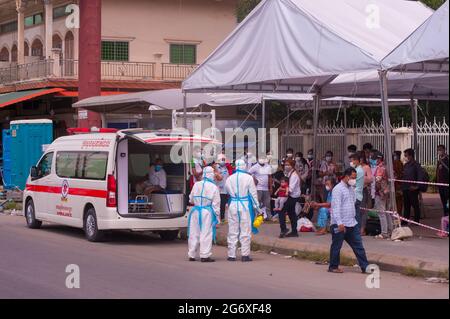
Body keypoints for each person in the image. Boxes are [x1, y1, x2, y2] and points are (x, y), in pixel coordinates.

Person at [328, 168, 369, 274]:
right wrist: (339, 223)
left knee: (358, 246)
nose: (354, 180)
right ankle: (333, 266)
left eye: (355, 178)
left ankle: (365, 266)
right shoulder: (338, 189)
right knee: (336, 246)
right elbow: (335, 207)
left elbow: (352, 203)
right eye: (352, 178)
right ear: (346, 176)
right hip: (340, 224)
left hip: (351, 223)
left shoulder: (351, 189)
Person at [225, 159, 261, 262]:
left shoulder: (229, 179)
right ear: (244, 166)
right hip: (244, 205)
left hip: (233, 204)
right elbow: (253, 195)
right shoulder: (248, 178)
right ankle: (245, 255)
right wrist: (257, 208)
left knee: (232, 230)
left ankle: (231, 255)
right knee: (245, 230)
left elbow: (228, 191)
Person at [187, 167, 221, 262]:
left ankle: (191, 254)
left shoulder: (196, 184)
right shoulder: (214, 187)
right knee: (206, 233)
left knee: (194, 232)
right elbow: (216, 204)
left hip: (195, 211)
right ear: (211, 174)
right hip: (207, 212)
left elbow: (191, 199)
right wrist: (217, 217)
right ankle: (204, 255)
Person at [279, 159, 301, 238]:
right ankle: (294, 231)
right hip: (291, 196)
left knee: (281, 210)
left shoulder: (294, 176)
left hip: (292, 196)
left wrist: (282, 191)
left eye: (288, 165)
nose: (286, 166)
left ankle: (283, 229)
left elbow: (290, 189)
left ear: (292, 166)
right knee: (291, 213)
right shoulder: (290, 174)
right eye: (285, 165)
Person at [372, 151, 392, 239]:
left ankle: (384, 232)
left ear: (379, 159)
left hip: (381, 193)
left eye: (374, 159)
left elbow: (378, 181)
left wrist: (377, 190)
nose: (373, 161)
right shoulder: (387, 167)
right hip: (387, 192)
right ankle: (390, 231)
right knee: (387, 212)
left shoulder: (380, 168)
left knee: (381, 213)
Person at [249, 156, 273, 220]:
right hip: (258, 188)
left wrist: (270, 187)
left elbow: (270, 177)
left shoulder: (268, 166)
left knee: (267, 203)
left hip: (266, 188)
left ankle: (268, 217)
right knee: (257, 203)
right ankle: (258, 216)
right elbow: (248, 174)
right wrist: (253, 179)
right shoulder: (255, 167)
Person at [402, 148, 422, 223]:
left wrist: (417, 186)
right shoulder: (406, 165)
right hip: (405, 187)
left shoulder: (416, 165)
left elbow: (420, 176)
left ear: (410, 156)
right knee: (406, 205)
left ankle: (416, 220)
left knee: (415, 205)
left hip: (412, 188)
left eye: (406, 155)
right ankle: (405, 220)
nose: (405, 157)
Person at [350, 153, 365, 231]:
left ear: (357, 161)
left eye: (353, 160)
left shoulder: (359, 171)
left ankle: (356, 230)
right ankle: (356, 230)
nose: (352, 162)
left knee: (355, 214)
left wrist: (348, 180)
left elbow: (353, 182)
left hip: (356, 195)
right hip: (356, 194)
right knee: (355, 213)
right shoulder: (357, 170)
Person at [215, 154, 232, 221]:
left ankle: (222, 218)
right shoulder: (216, 168)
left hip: (224, 189)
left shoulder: (225, 168)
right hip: (218, 189)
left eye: (224, 160)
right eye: (222, 160)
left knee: (223, 204)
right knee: (218, 204)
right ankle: (217, 219)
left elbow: (227, 177)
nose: (223, 161)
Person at [360, 153, 373, 235]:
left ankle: (362, 229)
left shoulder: (366, 167)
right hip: (355, 190)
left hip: (363, 190)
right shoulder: (356, 167)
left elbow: (370, 179)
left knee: (363, 210)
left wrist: (362, 178)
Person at [436, 145, 449, 217]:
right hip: (440, 184)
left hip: (446, 184)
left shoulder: (447, 159)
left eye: (440, 150)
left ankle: (447, 212)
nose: (439, 151)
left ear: (444, 150)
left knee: (447, 200)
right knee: (443, 200)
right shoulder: (439, 160)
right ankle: (445, 213)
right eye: (438, 150)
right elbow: (437, 171)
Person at [393, 151, 404, 218]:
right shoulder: (399, 163)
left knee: (398, 202)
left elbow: (399, 174)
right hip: (397, 185)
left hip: (398, 185)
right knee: (398, 202)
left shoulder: (398, 163)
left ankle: (398, 216)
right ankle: (398, 215)